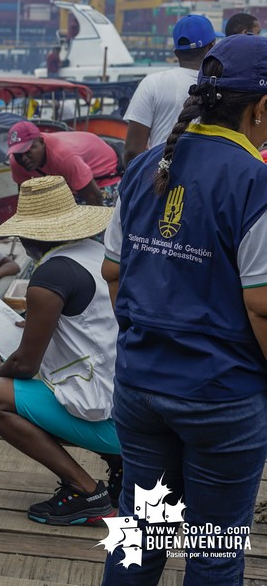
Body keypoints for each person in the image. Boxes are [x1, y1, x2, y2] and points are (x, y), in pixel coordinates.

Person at [100, 35, 267, 583]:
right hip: (221, 398)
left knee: (140, 536)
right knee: (213, 551)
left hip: (141, 387)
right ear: (260, 108)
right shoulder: (255, 182)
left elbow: (113, 273)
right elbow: (261, 307)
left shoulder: (144, 166)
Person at [0, 176, 121, 527]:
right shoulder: (96, 253)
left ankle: (86, 492)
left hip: (113, 421)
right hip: (132, 406)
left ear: (27, 236)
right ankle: (121, 466)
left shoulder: (49, 276)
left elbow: (24, 366)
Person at [123, 15, 219, 166]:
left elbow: (132, 151)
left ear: (176, 52)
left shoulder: (152, 83)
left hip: (159, 181)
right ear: (212, 47)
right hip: (206, 183)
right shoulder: (222, 86)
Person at [7, 121, 121, 207]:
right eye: (18, 154)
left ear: (41, 142)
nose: (23, 159)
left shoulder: (63, 156)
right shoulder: (16, 161)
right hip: (73, 179)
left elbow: (94, 197)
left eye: (27, 151)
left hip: (105, 175)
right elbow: (25, 201)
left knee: (97, 232)